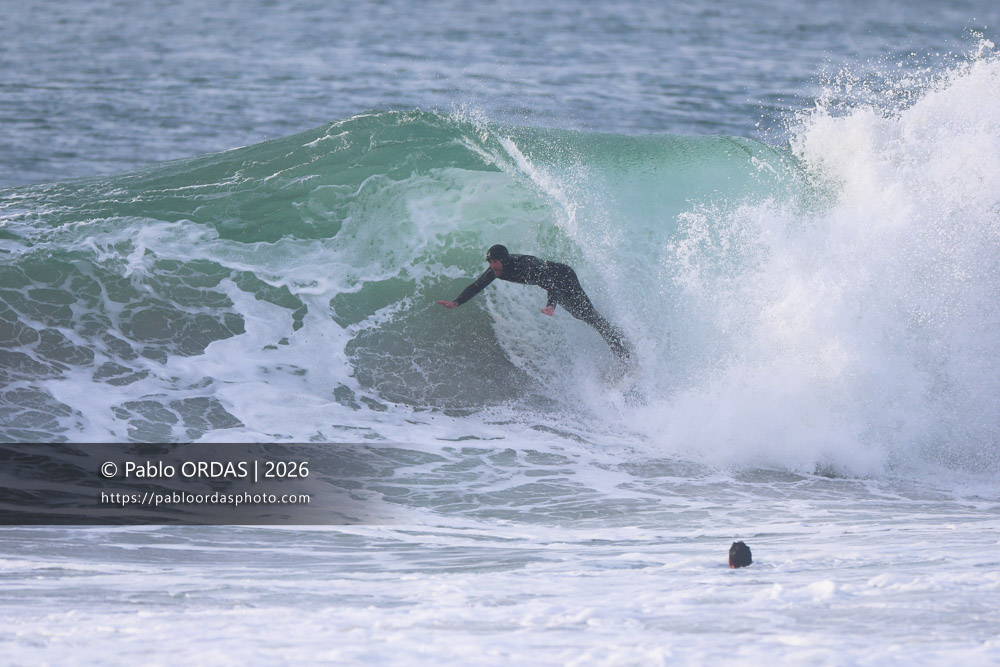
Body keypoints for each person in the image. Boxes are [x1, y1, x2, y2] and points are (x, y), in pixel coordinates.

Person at [436, 244, 631, 360]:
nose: (492, 266)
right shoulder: (496, 271)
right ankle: (616, 335)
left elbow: (552, 286)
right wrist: (457, 302)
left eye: (495, 262)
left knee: (587, 314)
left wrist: (551, 305)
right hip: (553, 283)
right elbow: (477, 285)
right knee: (580, 315)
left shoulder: (527, 267)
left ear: (504, 260)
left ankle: (620, 348)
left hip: (563, 277)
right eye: (490, 262)